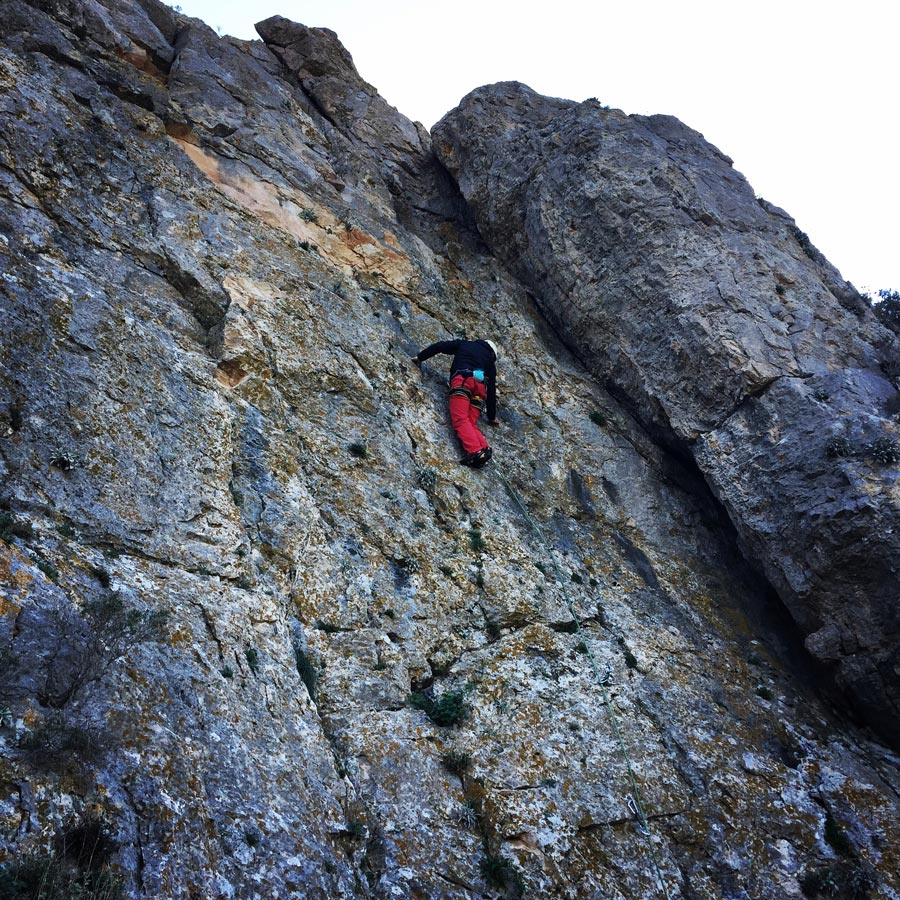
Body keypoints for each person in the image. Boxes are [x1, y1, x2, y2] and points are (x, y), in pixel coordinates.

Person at [412, 338, 500, 468]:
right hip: (479, 389)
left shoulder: (465, 344)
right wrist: (491, 416)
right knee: (470, 422)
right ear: (492, 353)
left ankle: (476, 451)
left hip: (463, 380)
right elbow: (491, 391)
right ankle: (484, 448)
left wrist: (420, 357)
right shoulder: (490, 363)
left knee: (461, 419)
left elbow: (440, 346)